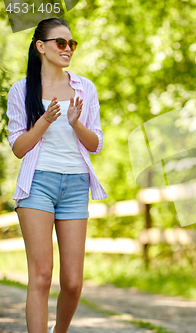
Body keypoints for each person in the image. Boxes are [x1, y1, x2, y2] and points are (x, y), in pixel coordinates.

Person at [6, 18, 107, 333]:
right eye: (60, 43)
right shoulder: (21, 90)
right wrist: (45, 120)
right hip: (38, 184)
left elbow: (96, 145)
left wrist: (76, 123)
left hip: (76, 185)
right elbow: (19, 148)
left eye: (71, 44)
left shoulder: (84, 87)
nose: (68, 49)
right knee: (40, 276)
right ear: (41, 47)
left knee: (74, 282)